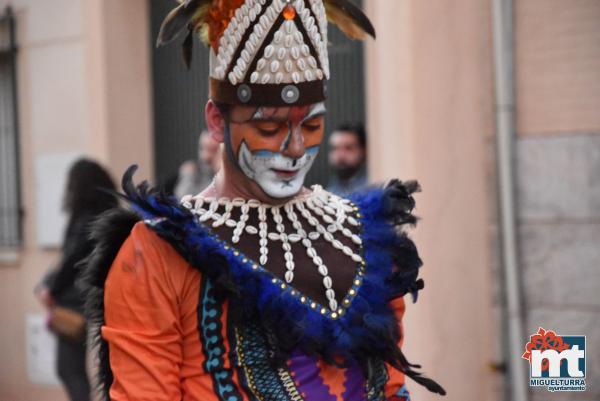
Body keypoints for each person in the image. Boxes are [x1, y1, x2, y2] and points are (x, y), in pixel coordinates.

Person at [82, 1, 445, 401]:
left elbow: (391, 387)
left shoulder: (367, 238)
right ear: (217, 122)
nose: (294, 148)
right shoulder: (155, 253)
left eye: (312, 125)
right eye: (268, 127)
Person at [37, 158, 117, 401]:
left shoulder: (85, 220)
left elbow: (71, 259)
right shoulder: (109, 216)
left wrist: (51, 288)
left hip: (74, 301)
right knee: (99, 369)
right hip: (100, 299)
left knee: (68, 368)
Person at [174, 130, 223, 199]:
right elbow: (181, 196)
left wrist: (220, 172)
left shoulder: (222, 172)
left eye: (212, 150)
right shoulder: (193, 170)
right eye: (203, 149)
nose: (206, 156)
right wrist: (188, 177)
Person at [327, 123, 368, 196]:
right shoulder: (331, 190)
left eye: (348, 148)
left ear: (363, 151)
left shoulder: (373, 187)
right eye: (335, 148)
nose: (340, 155)